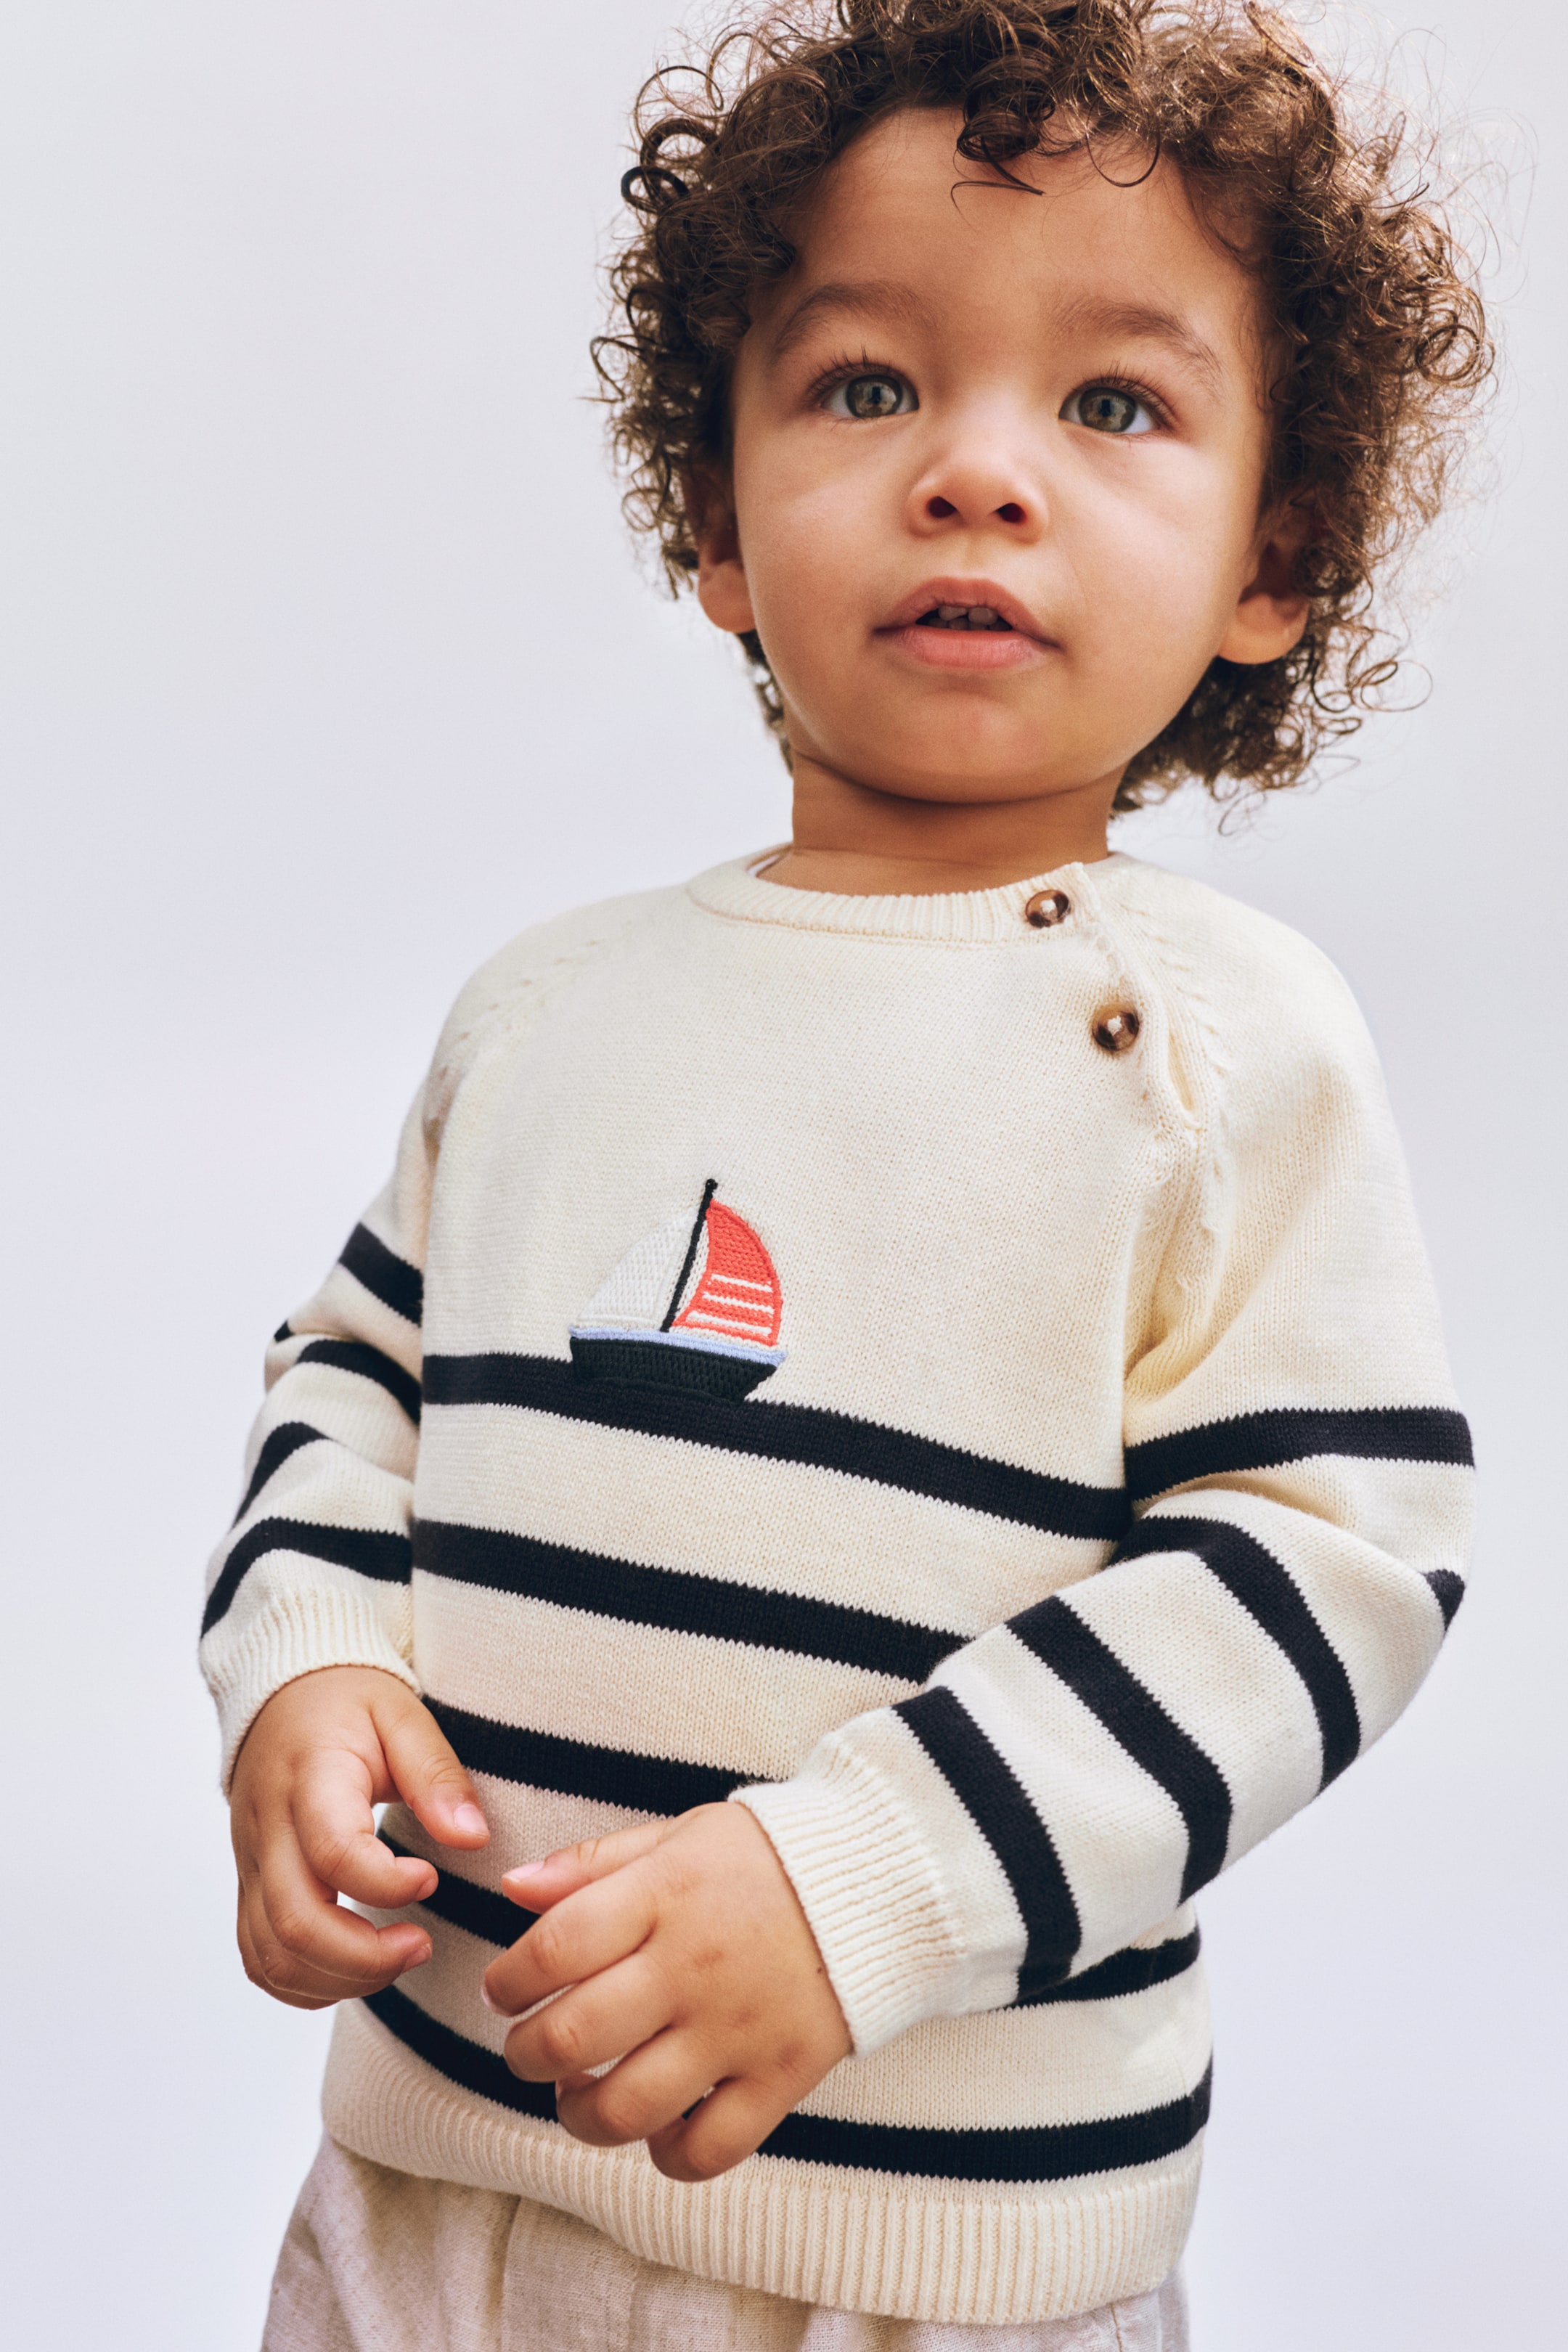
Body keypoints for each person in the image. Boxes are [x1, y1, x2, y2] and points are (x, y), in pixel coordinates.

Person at [205, 4, 1490, 2344]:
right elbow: (349, 1378)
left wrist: (856, 1885)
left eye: (1113, 405)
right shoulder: (547, 1006)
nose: (975, 473)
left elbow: (1334, 1557)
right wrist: (304, 1666)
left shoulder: (1212, 1045)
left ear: (1270, 556)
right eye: (867, 384)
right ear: (718, 513)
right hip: (422, 2201)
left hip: (930, 2263)